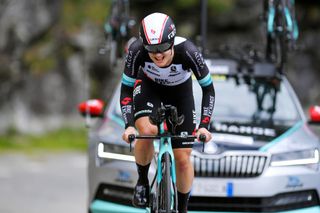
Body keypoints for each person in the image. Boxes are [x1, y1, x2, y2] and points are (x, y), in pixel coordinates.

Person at [120, 12, 215, 213]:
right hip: (149, 88)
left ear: (172, 43)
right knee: (147, 130)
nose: (158, 54)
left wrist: (204, 126)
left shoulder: (188, 51)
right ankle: (143, 182)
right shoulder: (137, 50)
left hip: (180, 94)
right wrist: (128, 124)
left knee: (182, 158)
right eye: (151, 49)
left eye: (163, 47)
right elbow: (126, 89)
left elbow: (208, 89)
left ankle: (182, 208)